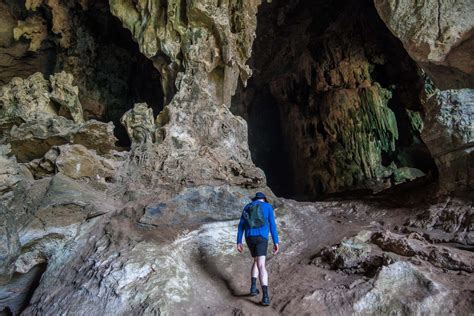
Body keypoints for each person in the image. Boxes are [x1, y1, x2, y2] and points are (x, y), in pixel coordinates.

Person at [236, 192, 279, 306]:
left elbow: (241, 225)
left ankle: (253, 288)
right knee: (261, 265)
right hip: (261, 237)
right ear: (264, 199)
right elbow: (273, 226)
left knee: (255, 260)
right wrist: (276, 242)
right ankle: (265, 297)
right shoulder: (268, 207)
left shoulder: (248, 206)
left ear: (255, 199)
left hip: (249, 238)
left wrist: (239, 241)